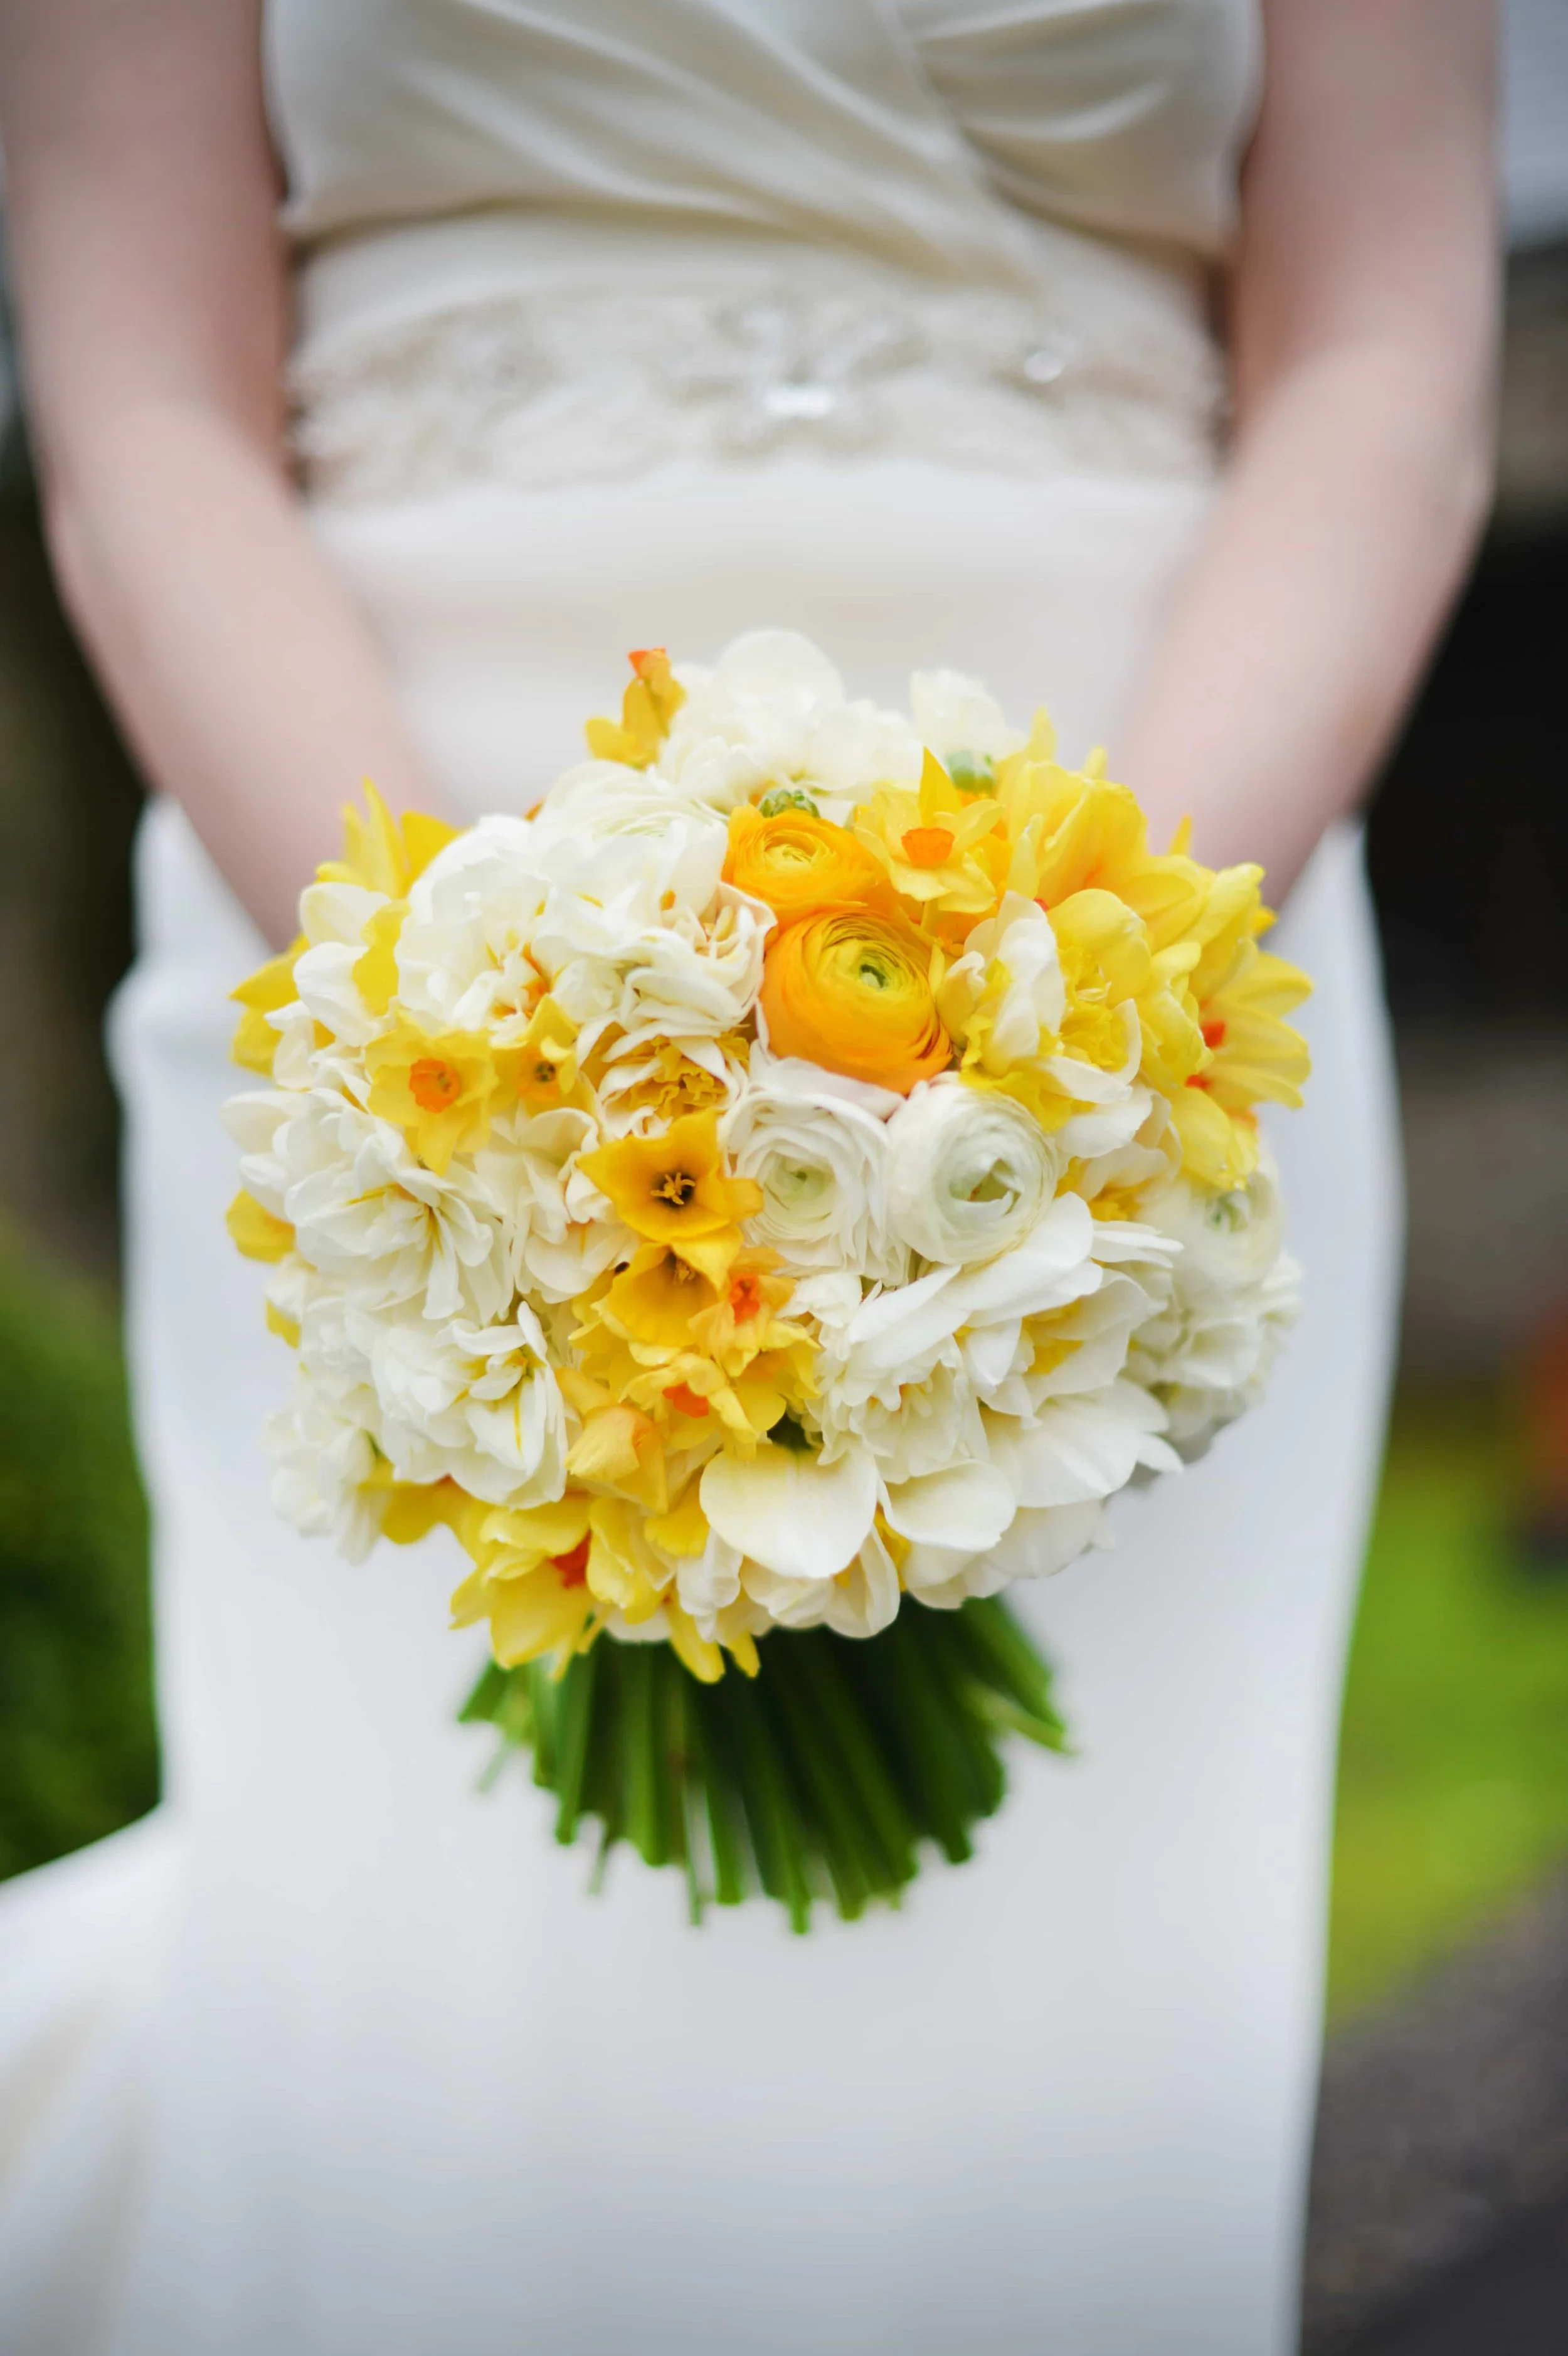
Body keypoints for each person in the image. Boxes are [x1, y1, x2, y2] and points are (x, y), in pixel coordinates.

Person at [0, 4, 1494, 2350]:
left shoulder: (1112, 1007)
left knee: (1054, 2066)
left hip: (1154, 883)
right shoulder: (422, 1028)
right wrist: (473, 1066)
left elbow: (1387, 348)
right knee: (429, 2031)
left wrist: (1086, 1020)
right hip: (382, 920)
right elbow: (137, 396)